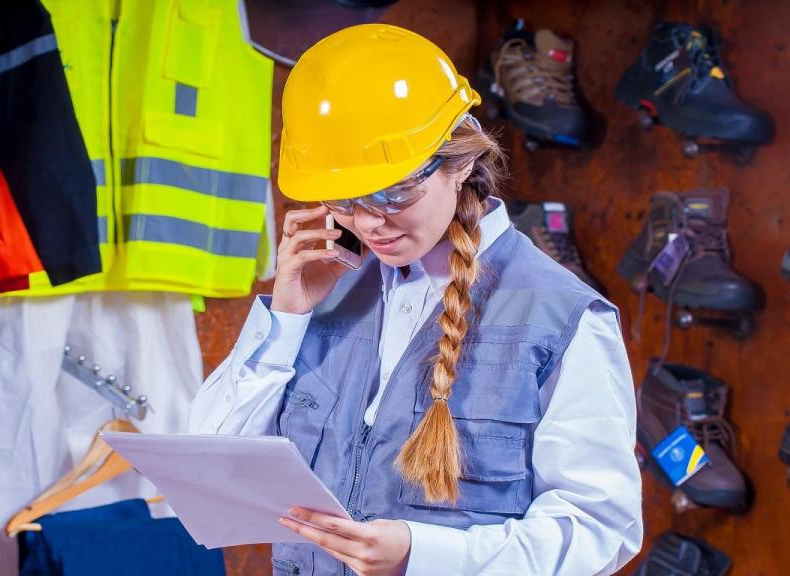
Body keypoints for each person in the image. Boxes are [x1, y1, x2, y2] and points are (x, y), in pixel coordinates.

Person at [189, 24, 642, 576]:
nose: (369, 222)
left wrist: (422, 555)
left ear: (462, 160)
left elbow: (601, 529)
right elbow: (207, 472)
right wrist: (285, 319)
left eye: (394, 192)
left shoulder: (561, 317)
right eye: (346, 199)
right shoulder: (325, 288)